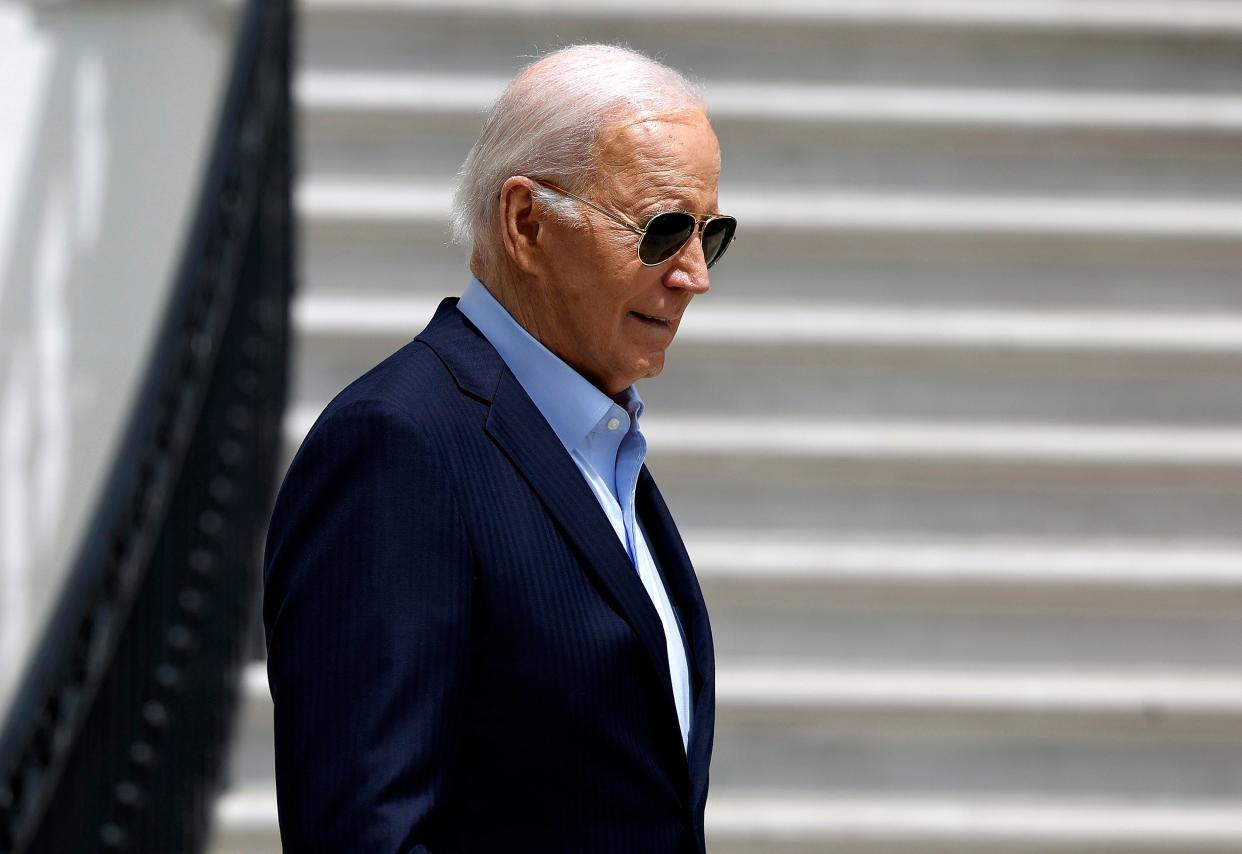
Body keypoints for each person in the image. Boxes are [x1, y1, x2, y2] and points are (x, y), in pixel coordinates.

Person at [262, 44, 736, 853]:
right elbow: (363, 832)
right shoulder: (398, 446)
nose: (693, 274)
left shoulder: (600, 447)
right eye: (662, 232)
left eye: (709, 233)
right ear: (526, 224)